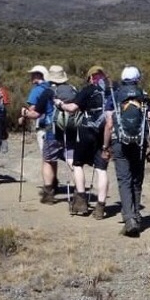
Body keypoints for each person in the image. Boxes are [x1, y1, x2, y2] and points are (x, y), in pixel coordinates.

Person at [56, 65, 113, 219]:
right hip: (105, 133)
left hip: (86, 132)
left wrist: (60, 104)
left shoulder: (88, 90)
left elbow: (72, 108)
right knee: (102, 170)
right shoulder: (111, 92)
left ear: (90, 77)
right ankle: (100, 208)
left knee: (78, 164)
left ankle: (81, 202)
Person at [109, 65, 150, 237]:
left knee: (124, 179)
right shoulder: (144, 95)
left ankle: (129, 219)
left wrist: (105, 145)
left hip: (119, 141)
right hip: (140, 142)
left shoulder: (116, 95)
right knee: (136, 179)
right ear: (138, 78)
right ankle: (136, 215)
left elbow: (108, 122)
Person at [20, 64, 63, 204]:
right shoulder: (64, 89)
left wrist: (24, 115)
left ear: (40, 75)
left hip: (46, 126)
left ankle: (48, 189)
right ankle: (54, 183)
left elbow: (33, 108)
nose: (31, 76)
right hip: (62, 127)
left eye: (34, 74)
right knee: (54, 158)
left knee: (46, 159)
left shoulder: (39, 90)